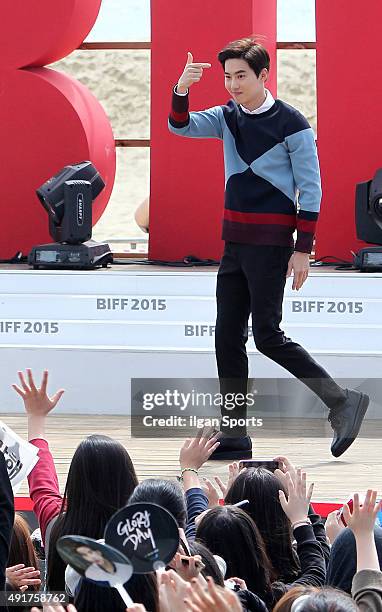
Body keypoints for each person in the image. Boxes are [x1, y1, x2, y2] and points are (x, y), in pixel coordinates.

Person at [168, 37, 369, 460]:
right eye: (227, 77)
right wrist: (182, 90)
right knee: (227, 336)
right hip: (234, 242)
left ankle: (341, 400)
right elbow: (180, 125)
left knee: (267, 336)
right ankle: (236, 434)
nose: (233, 85)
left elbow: (311, 188)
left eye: (241, 76)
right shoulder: (226, 117)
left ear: (263, 76)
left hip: (272, 243)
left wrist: (303, 248)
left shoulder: (292, 123)